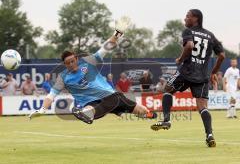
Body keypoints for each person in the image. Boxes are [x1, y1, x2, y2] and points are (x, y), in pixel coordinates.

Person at [29, 19, 157, 124]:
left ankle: (150, 115)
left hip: (110, 95)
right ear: (64, 64)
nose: (71, 64)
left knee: (141, 110)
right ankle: (86, 114)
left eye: (73, 61)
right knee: (90, 108)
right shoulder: (63, 77)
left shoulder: (88, 62)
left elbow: (106, 48)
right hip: (91, 103)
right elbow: (51, 95)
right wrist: (43, 109)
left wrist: (117, 34)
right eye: (68, 63)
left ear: (77, 59)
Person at [150, 9, 225, 147]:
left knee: (167, 90)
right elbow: (222, 56)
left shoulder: (188, 31)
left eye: (187, 16)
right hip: (202, 75)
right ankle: (209, 135)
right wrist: (214, 72)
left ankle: (166, 120)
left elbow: (190, 46)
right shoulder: (210, 35)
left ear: (195, 18)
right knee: (202, 107)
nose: (185, 19)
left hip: (186, 72)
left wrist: (180, 58)